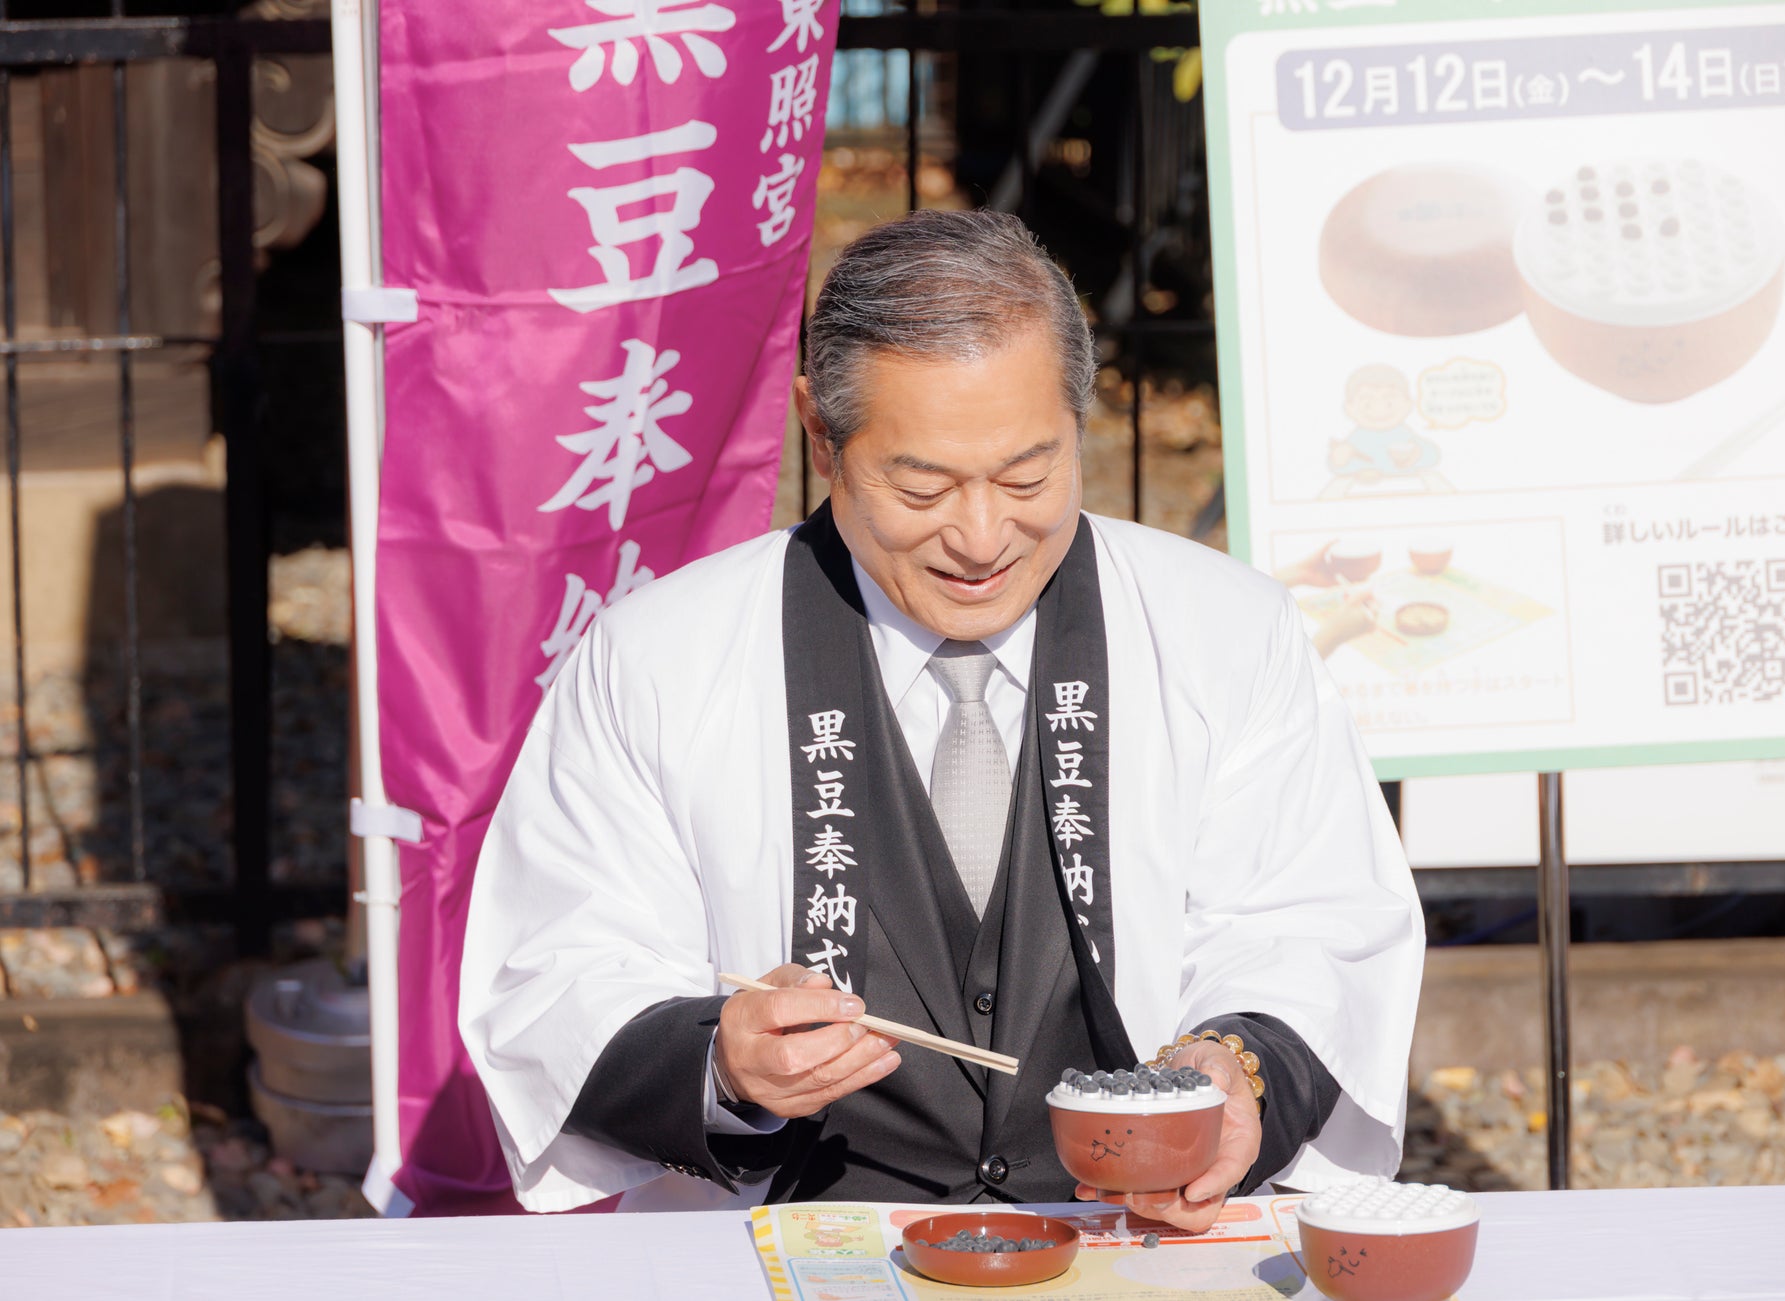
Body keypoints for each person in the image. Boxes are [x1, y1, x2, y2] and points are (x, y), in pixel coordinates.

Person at [458, 210, 1425, 1222]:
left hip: (1134, 1237)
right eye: (922, 487)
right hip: (784, 1246)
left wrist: (1240, 1066)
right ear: (821, 434)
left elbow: (1311, 922)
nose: (981, 535)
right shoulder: (658, 657)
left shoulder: (1227, 632)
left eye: (1027, 476)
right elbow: (558, 970)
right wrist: (724, 1063)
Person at [1322, 364, 1451, 496]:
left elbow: (1433, 455)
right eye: (1368, 404)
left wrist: (1418, 453)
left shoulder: (1404, 434)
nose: (1379, 410)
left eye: (1389, 404)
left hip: (1408, 489)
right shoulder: (1357, 438)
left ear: (1408, 405)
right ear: (1349, 408)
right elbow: (1336, 466)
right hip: (1364, 492)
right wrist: (1339, 459)